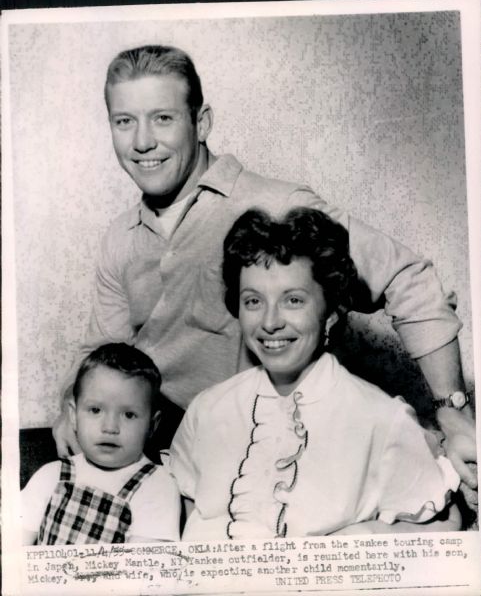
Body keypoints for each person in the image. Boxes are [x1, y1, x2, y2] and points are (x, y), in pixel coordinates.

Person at [52, 44, 476, 496]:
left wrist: (452, 410)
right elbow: (104, 351)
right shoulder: (120, 238)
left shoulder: (274, 206)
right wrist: (69, 407)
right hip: (176, 460)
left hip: (285, 455)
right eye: (124, 122)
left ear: (201, 123)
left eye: (162, 118)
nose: (141, 142)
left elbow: (407, 277)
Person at [170, 207, 461, 539]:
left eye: (293, 300)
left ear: (330, 310)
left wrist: (362, 536)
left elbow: (444, 524)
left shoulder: (381, 418)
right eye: (253, 301)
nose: (269, 322)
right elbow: (180, 508)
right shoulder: (206, 409)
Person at [22, 343, 180, 545]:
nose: (110, 427)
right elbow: (12, 548)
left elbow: (146, 569)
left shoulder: (157, 486)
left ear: (152, 425)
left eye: (129, 415)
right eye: (95, 410)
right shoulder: (51, 476)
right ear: (73, 415)